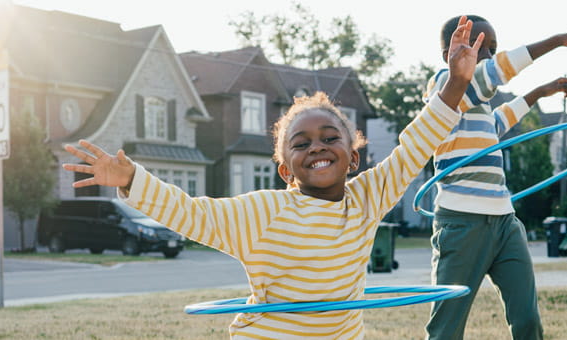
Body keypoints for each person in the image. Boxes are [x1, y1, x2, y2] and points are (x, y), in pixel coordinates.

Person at [62, 16, 482, 340]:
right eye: (300, 144)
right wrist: (132, 177)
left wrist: (456, 83)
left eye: (330, 138)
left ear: (353, 157)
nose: (316, 147)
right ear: (285, 170)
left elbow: (413, 149)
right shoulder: (264, 212)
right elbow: (190, 213)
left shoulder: (367, 199)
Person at [422, 15, 567, 340]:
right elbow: (494, 73)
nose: (490, 57)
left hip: (505, 222)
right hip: (462, 224)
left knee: (527, 321)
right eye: (482, 48)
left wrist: (541, 91)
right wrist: (559, 39)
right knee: (446, 330)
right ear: (449, 53)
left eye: (494, 49)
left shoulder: (476, 107)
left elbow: (499, 122)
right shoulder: (444, 88)